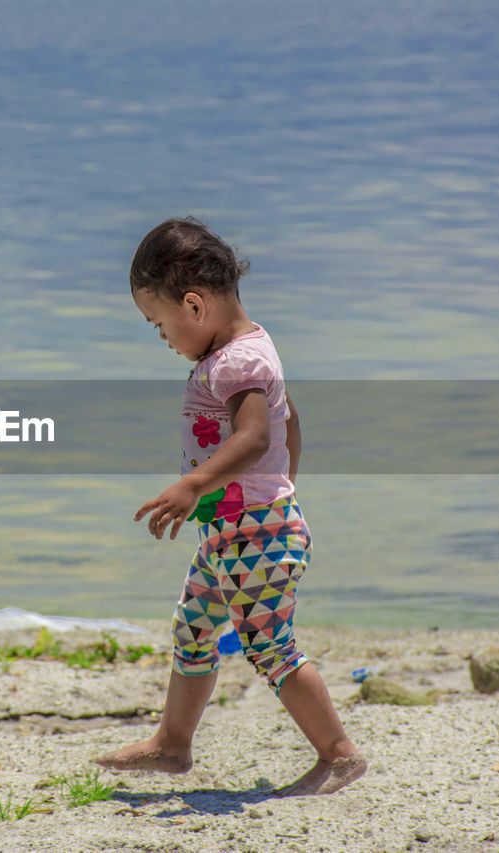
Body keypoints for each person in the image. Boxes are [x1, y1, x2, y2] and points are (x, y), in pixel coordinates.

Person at [95, 216, 366, 796]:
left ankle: (338, 755)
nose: (164, 338)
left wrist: (197, 486)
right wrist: (281, 486)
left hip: (256, 535)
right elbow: (288, 418)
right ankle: (172, 744)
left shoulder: (239, 362)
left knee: (270, 645)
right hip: (234, 533)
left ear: (194, 305)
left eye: (159, 324)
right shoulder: (247, 350)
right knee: (193, 630)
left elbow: (253, 437)